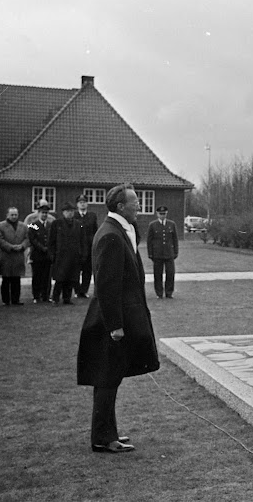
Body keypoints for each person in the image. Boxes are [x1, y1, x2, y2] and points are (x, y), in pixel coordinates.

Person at [77, 183, 159, 454]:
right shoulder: (112, 235)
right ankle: (102, 438)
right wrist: (115, 326)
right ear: (121, 207)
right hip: (110, 322)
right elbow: (106, 285)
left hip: (117, 319)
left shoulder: (120, 231)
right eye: (135, 202)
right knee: (107, 378)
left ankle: (107, 433)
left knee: (110, 378)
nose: (139, 206)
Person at [49, 202, 85, 305]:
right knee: (60, 279)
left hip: (74, 256)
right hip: (60, 256)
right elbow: (51, 241)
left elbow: (83, 240)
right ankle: (55, 298)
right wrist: (52, 254)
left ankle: (67, 298)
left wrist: (82, 254)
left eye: (72, 211)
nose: (70, 213)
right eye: (68, 211)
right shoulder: (56, 223)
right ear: (63, 212)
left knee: (71, 278)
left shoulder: (79, 224)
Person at [0, 207, 29, 306]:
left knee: (16, 280)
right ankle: (6, 300)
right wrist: (11, 247)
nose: (14, 217)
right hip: (6, 256)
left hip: (18, 256)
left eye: (15, 215)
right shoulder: (0, 226)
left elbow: (28, 238)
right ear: (7, 215)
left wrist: (22, 246)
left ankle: (15, 299)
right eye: (12, 215)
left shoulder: (23, 226)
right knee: (6, 279)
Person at [146, 205, 179, 299]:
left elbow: (175, 239)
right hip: (157, 254)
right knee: (157, 274)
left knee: (170, 273)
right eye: (160, 214)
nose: (162, 216)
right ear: (157, 214)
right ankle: (159, 293)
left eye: (164, 214)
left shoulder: (171, 224)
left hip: (169, 253)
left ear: (166, 214)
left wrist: (175, 252)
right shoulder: (153, 225)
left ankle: (169, 293)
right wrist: (150, 253)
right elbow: (149, 240)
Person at [74, 194, 98, 298]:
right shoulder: (74, 216)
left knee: (87, 271)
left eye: (84, 202)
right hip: (77, 247)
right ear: (77, 204)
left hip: (88, 247)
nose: (82, 204)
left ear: (87, 204)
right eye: (80, 202)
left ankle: (84, 291)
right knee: (75, 270)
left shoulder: (92, 216)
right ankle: (77, 291)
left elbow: (95, 230)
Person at [28, 202, 52, 303]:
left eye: (46, 213)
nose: (44, 215)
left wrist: (49, 249)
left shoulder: (51, 225)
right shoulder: (34, 225)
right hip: (37, 255)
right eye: (42, 213)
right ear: (38, 213)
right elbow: (33, 240)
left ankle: (46, 296)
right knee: (37, 276)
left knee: (47, 277)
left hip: (48, 256)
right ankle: (36, 296)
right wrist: (42, 248)